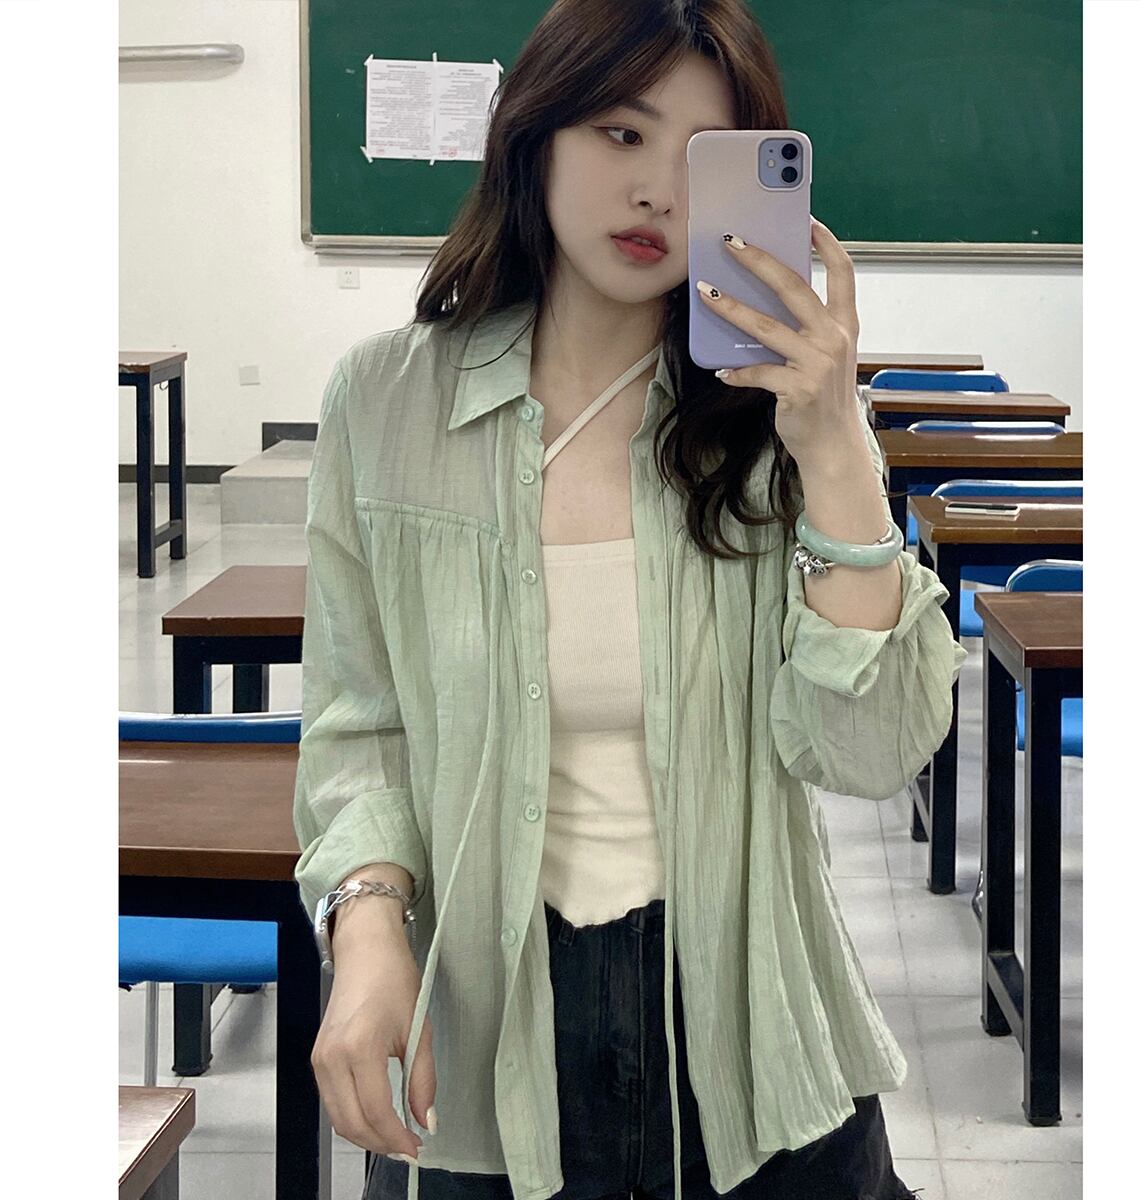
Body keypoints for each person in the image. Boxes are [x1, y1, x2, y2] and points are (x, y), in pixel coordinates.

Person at [293, 2, 965, 1198]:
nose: (659, 189)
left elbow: (868, 752)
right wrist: (369, 921)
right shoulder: (386, 405)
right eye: (621, 133)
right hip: (490, 1044)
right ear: (535, 132)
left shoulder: (771, 417)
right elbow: (359, 720)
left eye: (706, 157)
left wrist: (833, 446)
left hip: (752, 1031)